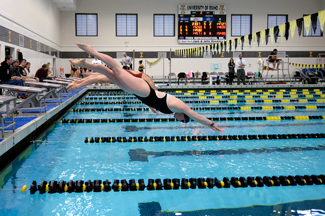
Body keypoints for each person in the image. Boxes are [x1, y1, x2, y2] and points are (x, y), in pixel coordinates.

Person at [71, 43, 224, 132]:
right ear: (184, 116)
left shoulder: (173, 109)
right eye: (183, 121)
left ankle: (85, 65)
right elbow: (196, 116)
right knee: (116, 69)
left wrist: (151, 106)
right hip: (144, 91)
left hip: (140, 94)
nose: (180, 121)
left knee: (112, 76)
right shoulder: (180, 106)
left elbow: (155, 101)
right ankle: (92, 51)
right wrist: (211, 124)